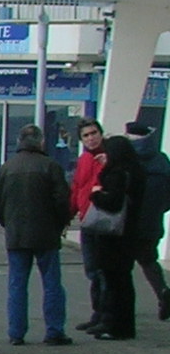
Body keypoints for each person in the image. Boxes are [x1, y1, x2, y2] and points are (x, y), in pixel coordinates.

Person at [0, 123, 74, 346]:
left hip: (16, 235)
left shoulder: (7, 168)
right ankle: (54, 331)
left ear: (19, 141)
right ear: (41, 141)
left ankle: (16, 332)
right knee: (52, 283)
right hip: (46, 234)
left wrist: (9, 223)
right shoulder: (50, 166)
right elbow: (62, 201)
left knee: (17, 284)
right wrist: (60, 224)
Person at [86, 133, 145, 340]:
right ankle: (123, 326)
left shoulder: (117, 174)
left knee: (114, 283)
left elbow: (112, 203)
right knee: (124, 282)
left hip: (113, 236)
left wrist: (95, 194)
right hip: (129, 234)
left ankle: (115, 326)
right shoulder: (136, 172)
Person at [125, 119, 170, 320]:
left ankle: (121, 309)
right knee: (148, 259)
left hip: (128, 221)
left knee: (120, 267)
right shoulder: (162, 159)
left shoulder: (127, 158)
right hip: (153, 221)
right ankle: (162, 292)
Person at [71, 120, 108, 332]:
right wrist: (71, 212)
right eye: (86, 135)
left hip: (104, 219)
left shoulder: (110, 158)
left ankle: (105, 314)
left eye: (94, 133)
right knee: (92, 269)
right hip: (87, 219)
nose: (91, 138)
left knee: (103, 270)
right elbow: (77, 186)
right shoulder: (84, 159)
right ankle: (97, 312)